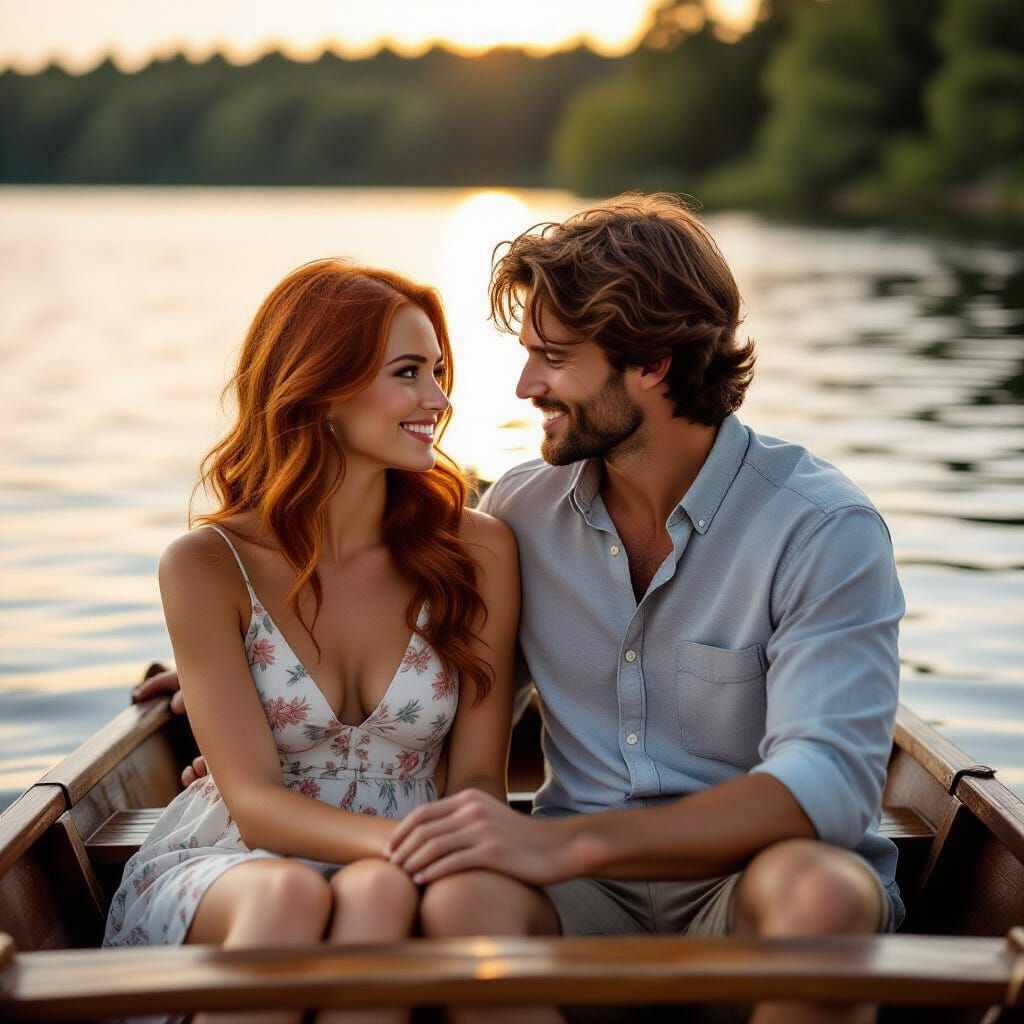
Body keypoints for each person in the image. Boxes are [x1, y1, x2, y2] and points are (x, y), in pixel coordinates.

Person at [139, 196, 905, 1024]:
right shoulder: (522, 515)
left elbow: (825, 784)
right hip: (577, 897)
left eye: (552, 357)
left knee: (825, 893)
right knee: (462, 905)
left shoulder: (822, 528)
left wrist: (567, 840)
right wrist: (242, 682)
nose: (522, 385)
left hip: (750, 881)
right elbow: (411, 628)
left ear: (649, 362)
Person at [109, 259, 548, 1024]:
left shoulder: (478, 552)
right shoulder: (208, 564)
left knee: (374, 893)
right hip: (234, 864)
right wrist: (405, 849)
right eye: (408, 373)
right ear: (321, 390)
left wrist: (429, 862)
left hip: (403, 862)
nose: (438, 400)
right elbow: (251, 803)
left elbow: (476, 777)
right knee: (288, 895)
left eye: (439, 372)